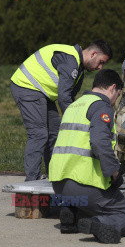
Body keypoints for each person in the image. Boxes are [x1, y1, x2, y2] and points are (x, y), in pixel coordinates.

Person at [49, 69, 125, 244]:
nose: (115, 100)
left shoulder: (75, 105)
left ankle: (71, 213)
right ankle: (99, 223)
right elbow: (99, 142)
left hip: (59, 186)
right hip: (85, 185)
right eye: (118, 94)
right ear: (113, 88)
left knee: (83, 198)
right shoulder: (101, 106)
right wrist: (114, 173)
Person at [10, 40, 112, 181]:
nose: (100, 67)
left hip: (43, 93)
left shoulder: (79, 69)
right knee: (39, 134)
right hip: (27, 86)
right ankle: (32, 180)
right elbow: (64, 98)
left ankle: (55, 176)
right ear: (93, 54)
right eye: (101, 62)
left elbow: (70, 97)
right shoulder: (71, 61)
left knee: (54, 133)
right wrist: (76, 120)